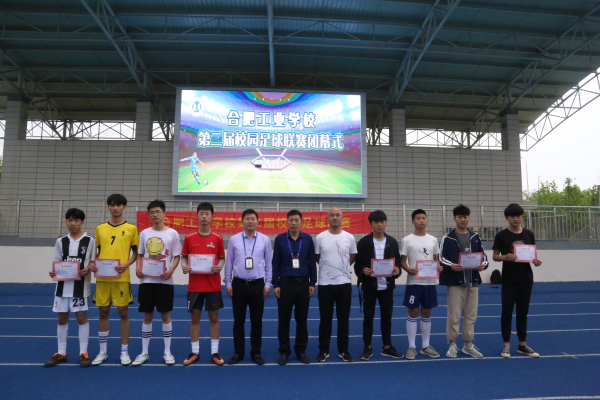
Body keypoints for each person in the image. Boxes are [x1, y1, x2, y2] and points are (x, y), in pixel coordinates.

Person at [90, 194, 139, 366]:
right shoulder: (100, 228)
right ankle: (102, 351)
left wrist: (126, 265)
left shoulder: (132, 228)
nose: (115, 208)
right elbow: (96, 252)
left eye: (118, 205)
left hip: (121, 278)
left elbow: (136, 253)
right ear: (108, 207)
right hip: (103, 278)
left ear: (124, 207)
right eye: (112, 205)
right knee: (103, 312)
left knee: (123, 313)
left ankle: (124, 351)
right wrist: (93, 263)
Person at [133, 200, 182, 366]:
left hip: (165, 281)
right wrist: (138, 267)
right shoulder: (144, 233)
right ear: (149, 215)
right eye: (152, 212)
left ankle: (167, 351)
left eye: (158, 211)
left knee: (165, 315)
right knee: (147, 316)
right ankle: (144, 352)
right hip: (147, 280)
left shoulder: (172, 233)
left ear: (164, 213)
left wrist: (171, 270)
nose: (155, 214)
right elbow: (140, 254)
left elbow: (176, 256)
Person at [44, 208, 95, 368]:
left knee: (81, 318)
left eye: (76, 220)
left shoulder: (90, 240)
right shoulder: (61, 241)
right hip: (62, 286)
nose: (73, 223)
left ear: (82, 222)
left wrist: (89, 268)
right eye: (70, 220)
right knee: (62, 319)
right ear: (66, 221)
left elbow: (93, 261)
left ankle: (83, 352)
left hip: (80, 286)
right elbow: (57, 262)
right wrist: (53, 272)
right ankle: (61, 352)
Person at [493, 203, 543, 358]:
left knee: (523, 312)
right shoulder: (501, 235)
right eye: (513, 216)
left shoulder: (528, 234)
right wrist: (505, 257)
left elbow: (531, 254)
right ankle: (506, 344)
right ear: (507, 218)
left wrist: (536, 261)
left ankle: (522, 344)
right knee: (507, 312)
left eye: (519, 216)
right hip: (509, 278)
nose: (516, 218)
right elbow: (495, 256)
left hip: (526, 278)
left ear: (522, 217)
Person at [224, 209, 272, 365]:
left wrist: (268, 284)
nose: (250, 221)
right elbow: (229, 262)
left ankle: (256, 352)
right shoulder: (234, 240)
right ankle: (238, 352)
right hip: (238, 284)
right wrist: (228, 282)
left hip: (258, 285)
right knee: (238, 321)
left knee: (256, 321)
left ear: (257, 221)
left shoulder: (265, 240)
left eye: (253, 219)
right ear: (242, 221)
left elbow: (269, 264)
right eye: (247, 219)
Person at [439, 204, 488, 359]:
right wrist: (451, 265)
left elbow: (483, 256)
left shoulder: (475, 236)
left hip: (473, 281)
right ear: (454, 219)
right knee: (454, 315)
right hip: (455, 282)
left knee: (471, 315)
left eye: (465, 217)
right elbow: (441, 257)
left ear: (469, 218)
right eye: (460, 217)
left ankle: (468, 344)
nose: (463, 219)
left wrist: (483, 265)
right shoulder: (448, 238)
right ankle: (452, 344)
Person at [181, 202, 226, 366]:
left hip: (213, 285)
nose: (204, 216)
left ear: (212, 216)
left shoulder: (218, 238)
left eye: (207, 213)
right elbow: (184, 257)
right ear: (197, 215)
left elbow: (221, 258)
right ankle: (195, 352)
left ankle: (215, 352)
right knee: (195, 318)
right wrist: (184, 267)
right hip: (195, 286)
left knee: (214, 317)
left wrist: (219, 267)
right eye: (202, 213)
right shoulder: (189, 237)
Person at [355, 210, 403, 360]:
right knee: (368, 317)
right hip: (370, 286)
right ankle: (367, 347)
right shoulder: (364, 242)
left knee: (386, 317)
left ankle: (387, 346)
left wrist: (397, 270)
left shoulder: (392, 242)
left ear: (386, 223)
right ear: (371, 224)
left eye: (382, 222)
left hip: (387, 286)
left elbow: (398, 263)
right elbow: (357, 264)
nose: (380, 225)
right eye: (376, 222)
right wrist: (363, 270)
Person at [272, 209, 317, 365]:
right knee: (284, 320)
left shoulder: (308, 239)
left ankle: (301, 351)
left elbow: (312, 262)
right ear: (287, 222)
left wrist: (312, 283)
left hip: (303, 284)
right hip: (285, 284)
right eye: (291, 220)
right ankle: (284, 351)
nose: (294, 223)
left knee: (301, 320)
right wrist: (276, 284)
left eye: (297, 220)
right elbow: (275, 263)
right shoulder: (280, 239)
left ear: (301, 222)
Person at [315, 207, 357, 362]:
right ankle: (323, 350)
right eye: (332, 215)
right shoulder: (320, 237)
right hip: (325, 283)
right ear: (327, 218)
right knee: (325, 319)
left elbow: (352, 256)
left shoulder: (349, 237)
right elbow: (318, 257)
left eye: (337, 215)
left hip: (344, 283)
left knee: (343, 319)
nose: (334, 217)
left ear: (342, 218)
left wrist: (341, 268)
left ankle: (343, 350)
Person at [400, 209, 443, 360]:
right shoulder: (407, 240)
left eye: (424, 218)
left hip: (429, 282)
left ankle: (425, 345)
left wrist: (438, 267)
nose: (421, 220)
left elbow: (436, 260)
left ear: (427, 220)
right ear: (413, 221)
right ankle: (411, 346)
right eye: (418, 218)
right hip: (414, 282)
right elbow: (402, 261)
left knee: (426, 312)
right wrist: (408, 269)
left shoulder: (433, 240)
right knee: (413, 311)